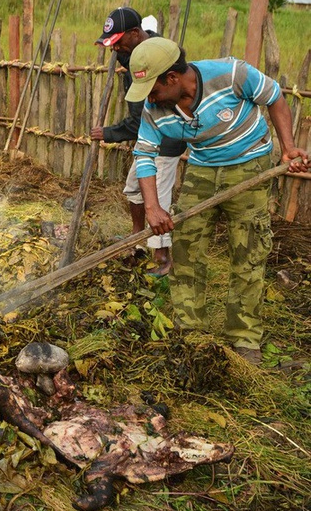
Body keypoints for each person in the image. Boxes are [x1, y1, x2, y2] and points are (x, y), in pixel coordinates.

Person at [127, 37, 309, 365]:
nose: (149, 100)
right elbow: (143, 153)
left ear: (172, 78)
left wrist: (288, 146)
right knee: (186, 247)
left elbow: (275, 97)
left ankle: (244, 337)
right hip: (202, 168)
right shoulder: (154, 110)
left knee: (249, 251)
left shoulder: (232, 74)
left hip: (250, 164)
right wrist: (153, 207)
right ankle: (191, 330)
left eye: (152, 90)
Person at [90, 7, 186, 275]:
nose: (114, 49)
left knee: (159, 197)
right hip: (148, 138)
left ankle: (162, 256)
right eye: (112, 43)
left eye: (118, 41)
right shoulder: (132, 51)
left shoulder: (155, 59)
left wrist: (109, 133)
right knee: (134, 189)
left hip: (167, 138)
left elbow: (137, 119)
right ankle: (138, 238)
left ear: (135, 33)